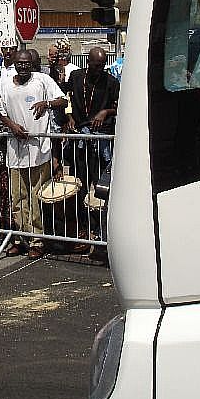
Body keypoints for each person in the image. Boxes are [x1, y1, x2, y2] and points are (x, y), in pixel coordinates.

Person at [0, 50, 67, 259]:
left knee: (36, 198)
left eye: (27, 64)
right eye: (20, 63)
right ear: (14, 64)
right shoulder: (7, 83)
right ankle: (20, 238)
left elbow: (62, 101)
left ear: (33, 64)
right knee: (18, 198)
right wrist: (12, 126)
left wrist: (46, 103)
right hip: (15, 150)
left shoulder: (43, 80)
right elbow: (0, 112)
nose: (23, 67)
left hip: (39, 149)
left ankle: (37, 240)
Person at [65, 47, 119, 250]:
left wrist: (105, 111)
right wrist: (69, 117)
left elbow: (120, 104)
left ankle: (101, 232)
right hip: (80, 140)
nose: (100, 69)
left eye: (102, 65)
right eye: (96, 65)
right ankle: (83, 230)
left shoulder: (110, 81)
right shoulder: (76, 77)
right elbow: (67, 98)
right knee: (80, 186)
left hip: (101, 141)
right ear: (88, 62)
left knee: (102, 188)